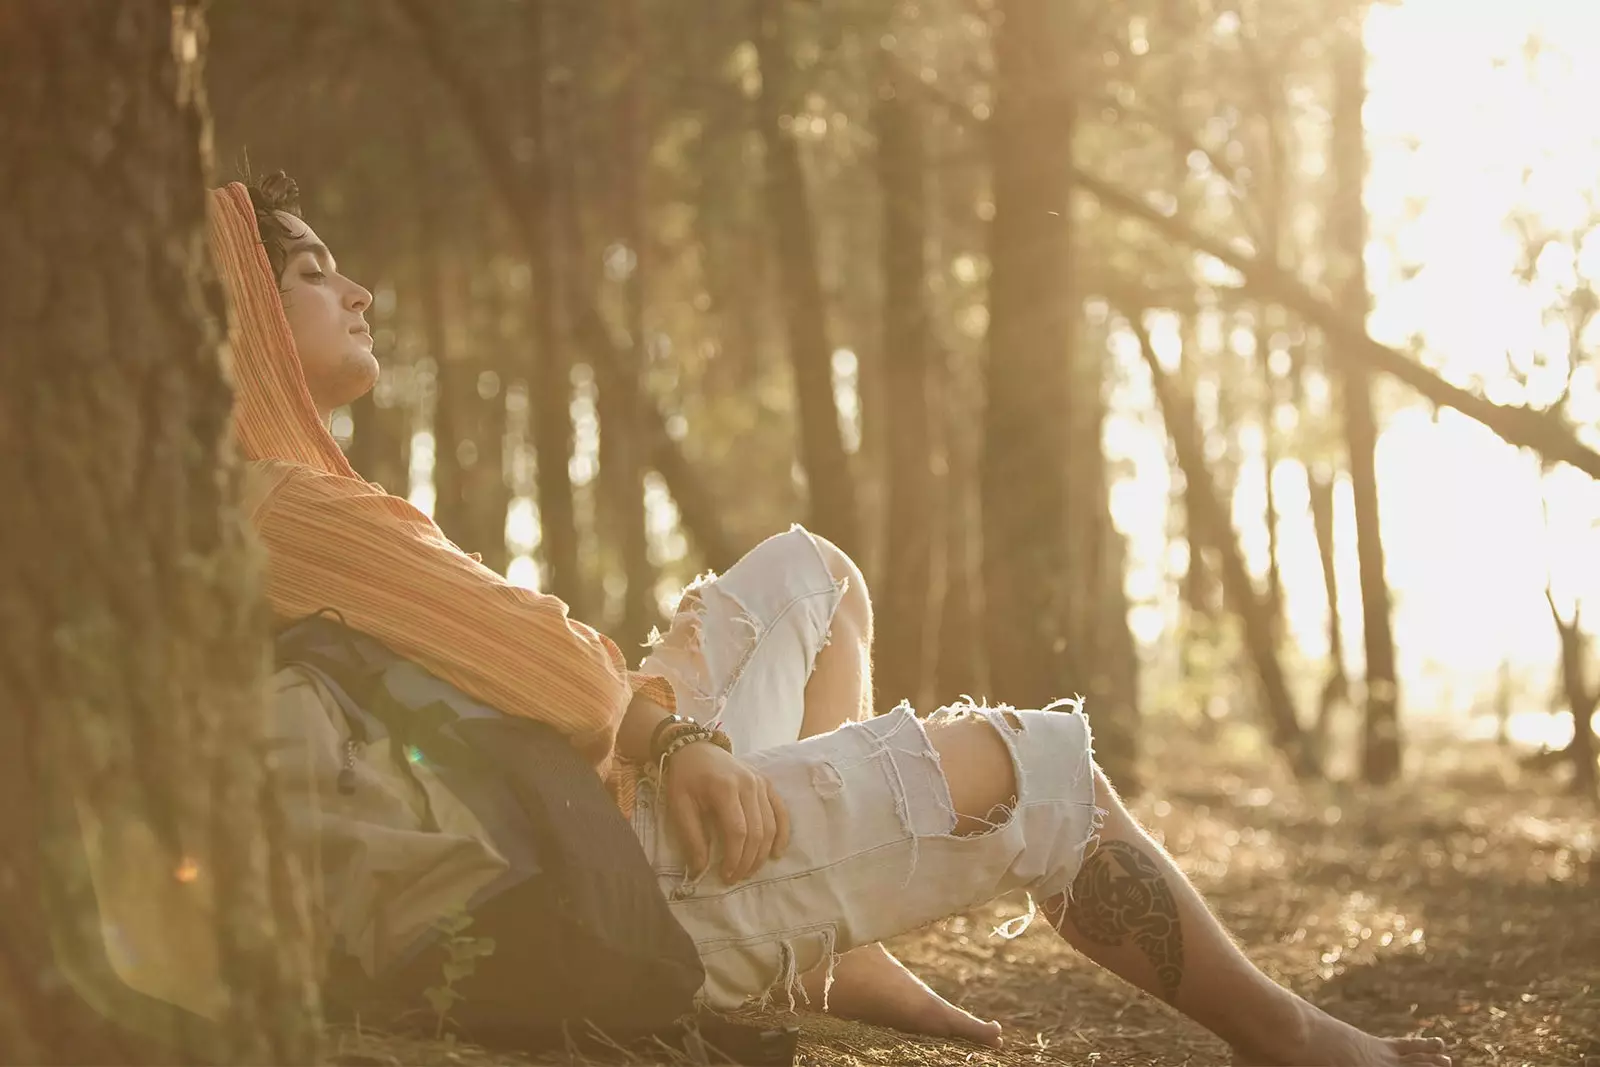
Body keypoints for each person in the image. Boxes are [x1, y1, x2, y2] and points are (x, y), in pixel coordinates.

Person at [210, 172, 1452, 1067]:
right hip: (596, 878)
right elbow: (568, 677)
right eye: (313, 274)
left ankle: (828, 945)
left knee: (814, 571)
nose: (359, 290)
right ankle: (1294, 1040)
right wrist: (673, 737)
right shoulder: (289, 507)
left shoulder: (255, 501)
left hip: (560, 822)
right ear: (244, 322)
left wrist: (652, 725)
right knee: (1035, 770)